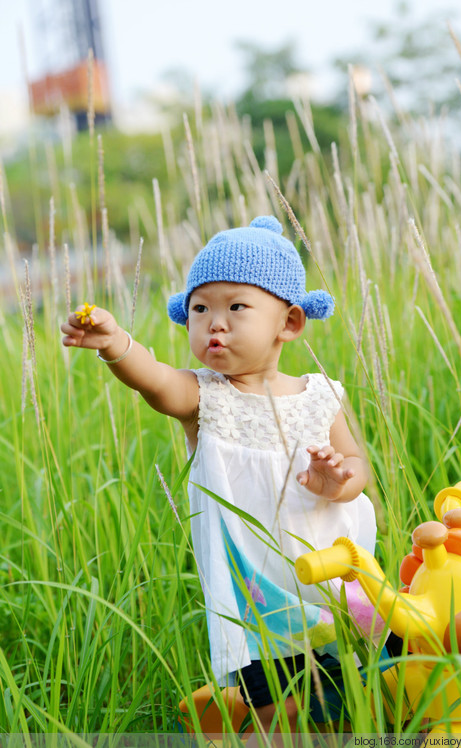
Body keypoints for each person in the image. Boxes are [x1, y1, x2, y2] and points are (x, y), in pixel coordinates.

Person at [61, 215, 379, 735]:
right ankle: (254, 722)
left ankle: (241, 712)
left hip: (336, 572)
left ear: (290, 323)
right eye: (200, 308)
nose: (215, 322)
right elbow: (155, 380)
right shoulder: (205, 396)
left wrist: (339, 481)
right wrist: (117, 344)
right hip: (257, 594)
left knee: (353, 682)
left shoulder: (321, 394)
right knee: (280, 692)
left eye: (236, 307)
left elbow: (357, 464)